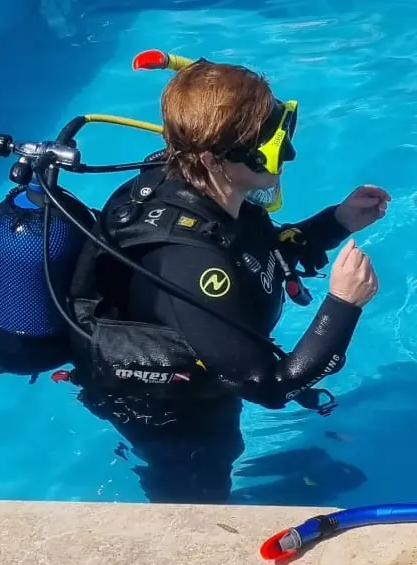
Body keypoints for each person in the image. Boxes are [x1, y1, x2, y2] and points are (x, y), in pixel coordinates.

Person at [61, 59, 390, 504]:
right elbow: (272, 384)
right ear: (217, 157)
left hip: (205, 365)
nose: (289, 155)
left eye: (284, 132)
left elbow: (258, 256)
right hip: (174, 418)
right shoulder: (187, 259)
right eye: (274, 146)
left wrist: (336, 221)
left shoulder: (200, 185)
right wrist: (343, 304)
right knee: (199, 499)